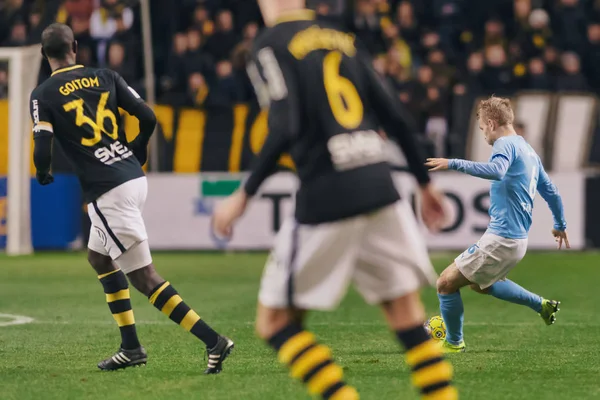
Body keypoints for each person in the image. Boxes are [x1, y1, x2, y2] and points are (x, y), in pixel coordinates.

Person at [212, 2, 457, 399]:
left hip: (328, 189)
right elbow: (393, 113)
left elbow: (284, 124)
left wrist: (245, 193)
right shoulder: (342, 38)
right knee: (405, 312)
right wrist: (424, 184)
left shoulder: (270, 44)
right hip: (380, 182)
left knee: (274, 322)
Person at [30, 23, 233, 373]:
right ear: (75, 47)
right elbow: (149, 116)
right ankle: (131, 347)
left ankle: (213, 340)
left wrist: (43, 172)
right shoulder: (106, 76)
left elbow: (43, 145)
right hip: (132, 177)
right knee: (98, 257)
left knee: (146, 279)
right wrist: (136, 147)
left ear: (43, 54)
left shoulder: (43, 94)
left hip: (107, 190)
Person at [425, 96, 567, 353]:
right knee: (481, 285)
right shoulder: (529, 151)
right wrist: (560, 223)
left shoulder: (504, 144)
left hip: (501, 239)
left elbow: (497, 170)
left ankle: (454, 343)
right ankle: (541, 305)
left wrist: (453, 163)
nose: (483, 135)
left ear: (491, 123)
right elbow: (552, 191)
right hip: (517, 240)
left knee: (445, 284)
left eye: (481, 129)